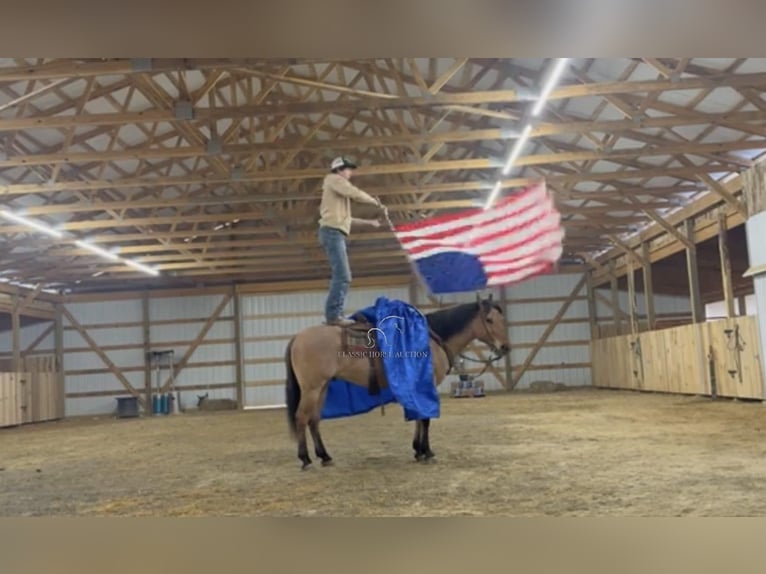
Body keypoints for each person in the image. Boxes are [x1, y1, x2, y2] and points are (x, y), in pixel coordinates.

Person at [318, 156, 387, 326]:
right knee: (343, 276)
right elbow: (354, 193)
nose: (350, 173)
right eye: (348, 169)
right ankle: (334, 315)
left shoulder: (336, 196)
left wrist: (369, 222)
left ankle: (335, 314)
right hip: (332, 233)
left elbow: (346, 219)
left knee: (342, 276)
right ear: (340, 170)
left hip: (334, 232)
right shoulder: (333, 179)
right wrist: (374, 202)